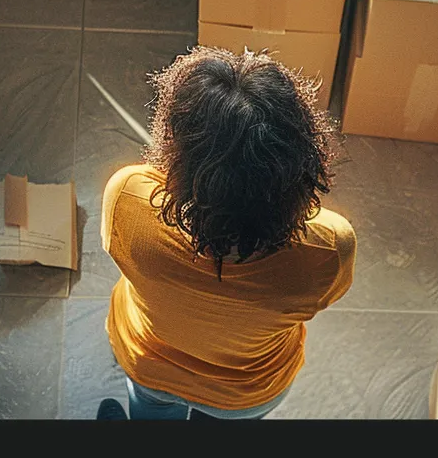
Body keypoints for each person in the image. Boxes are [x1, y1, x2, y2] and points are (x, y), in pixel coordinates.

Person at [95, 46, 356, 421]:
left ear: (176, 148)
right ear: (303, 162)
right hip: (246, 394)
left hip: (151, 366)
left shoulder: (127, 197)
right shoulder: (330, 248)